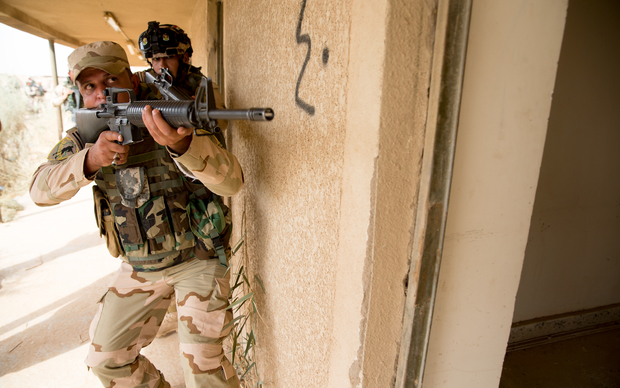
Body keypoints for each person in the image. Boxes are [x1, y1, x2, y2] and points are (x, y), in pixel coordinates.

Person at [29, 41, 242, 388]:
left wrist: (183, 146)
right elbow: (38, 189)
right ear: (80, 94)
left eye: (111, 80)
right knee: (104, 360)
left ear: (130, 76)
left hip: (198, 258)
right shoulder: (87, 134)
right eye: (90, 87)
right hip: (140, 267)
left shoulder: (169, 109)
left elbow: (232, 182)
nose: (102, 95)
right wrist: (89, 160)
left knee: (202, 370)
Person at [136, 21, 227, 337]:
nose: (160, 66)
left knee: (206, 246)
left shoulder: (199, 88)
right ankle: (172, 308)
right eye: (155, 59)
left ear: (184, 56)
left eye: (167, 58)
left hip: (198, 182)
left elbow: (218, 128)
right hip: (162, 187)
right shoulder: (145, 87)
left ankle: (198, 313)